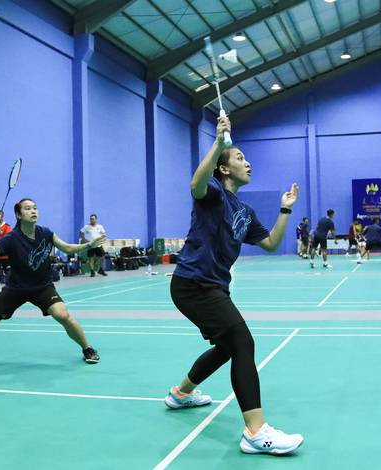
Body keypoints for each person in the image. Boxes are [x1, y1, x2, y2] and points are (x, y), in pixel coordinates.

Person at [165, 116, 303, 455]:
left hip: (213, 286)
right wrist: (219, 142)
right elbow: (196, 183)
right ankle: (255, 432)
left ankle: (181, 393)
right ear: (224, 169)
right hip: (193, 283)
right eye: (240, 158)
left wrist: (285, 210)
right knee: (242, 341)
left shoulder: (245, 210)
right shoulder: (211, 194)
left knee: (228, 347)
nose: (248, 162)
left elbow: (270, 242)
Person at [0, 198, 102, 369]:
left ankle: (87, 348)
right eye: (28, 208)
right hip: (16, 288)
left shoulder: (45, 233)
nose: (33, 211)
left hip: (42, 286)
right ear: (18, 214)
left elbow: (67, 248)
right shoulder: (11, 238)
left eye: (35, 208)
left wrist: (89, 245)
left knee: (63, 315)